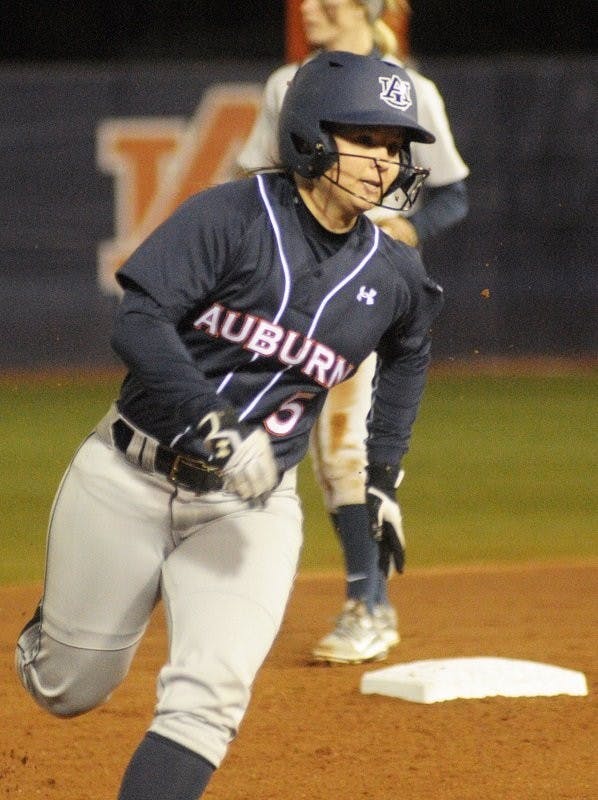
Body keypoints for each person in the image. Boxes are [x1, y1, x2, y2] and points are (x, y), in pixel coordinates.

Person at [15, 51, 443, 800]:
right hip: (128, 475)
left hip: (250, 508)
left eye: (395, 145)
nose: (387, 161)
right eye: (368, 138)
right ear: (312, 134)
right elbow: (139, 321)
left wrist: (382, 476)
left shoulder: (391, 274)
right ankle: (57, 627)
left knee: (207, 701)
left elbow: (411, 353)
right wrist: (213, 423)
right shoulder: (233, 216)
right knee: (67, 689)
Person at [238, 0, 469, 664]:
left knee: (345, 452)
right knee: (293, 447)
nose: (309, 8)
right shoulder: (288, 85)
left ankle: (370, 605)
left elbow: (452, 192)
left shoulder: (411, 89)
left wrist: (411, 228)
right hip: (294, 288)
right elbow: (260, 178)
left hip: (367, 288)